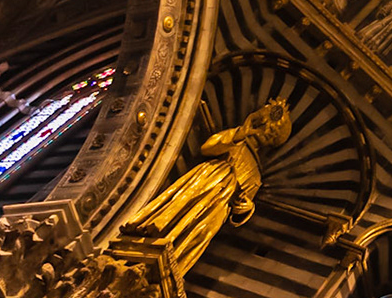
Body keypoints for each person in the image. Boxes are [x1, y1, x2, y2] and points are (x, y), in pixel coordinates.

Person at [119, 99, 292, 277]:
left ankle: (176, 255)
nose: (265, 133)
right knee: (181, 206)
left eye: (271, 135)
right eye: (266, 129)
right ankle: (154, 231)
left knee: (200, 232)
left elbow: (239, 211)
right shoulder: (235, 140)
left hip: (219, 206)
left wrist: (246, 205)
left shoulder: (255, 175)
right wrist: (241, 133)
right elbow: (208, 148)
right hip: (206, 180)